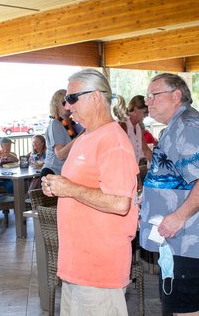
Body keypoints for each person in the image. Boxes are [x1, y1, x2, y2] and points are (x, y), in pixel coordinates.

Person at [42, 69, 139, 315]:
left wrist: (69, 188)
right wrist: (58, 187)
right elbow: (83, 185)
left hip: (99, 269)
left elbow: (120, 203)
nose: (66, 105)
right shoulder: (86, 137)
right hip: (77, 264)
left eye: (72, 98)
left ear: (95, 97)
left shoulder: (113, 141)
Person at [139, 73, 199, 316]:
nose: (148, 101)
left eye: (154, 95)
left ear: (176, 96)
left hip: (184, 237)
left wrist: (178, 217)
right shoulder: (178, 125)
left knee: (183, 308)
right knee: (175, 305)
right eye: (147, 96)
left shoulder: (187, 126)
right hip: (177, 239)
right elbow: (177, 174)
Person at [42, 89, 81, 176]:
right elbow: (60, 154)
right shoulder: (55, 124)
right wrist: (80, 137)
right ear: (56, 106)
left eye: (70, 102)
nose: (68, 106)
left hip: (67, 173)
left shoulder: (73, 124)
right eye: (64, 103)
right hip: (53, 173)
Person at [114, 95, 153, 165]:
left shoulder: (138, 127)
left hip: (132, 170)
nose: (147, 115)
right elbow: (118, 153)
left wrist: (158, 165)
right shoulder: (123, 124)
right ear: (135, 110)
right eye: (145, 112)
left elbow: (146, 150)